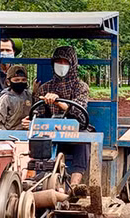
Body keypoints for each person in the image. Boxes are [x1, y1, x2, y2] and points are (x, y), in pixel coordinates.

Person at [36, 46, 90, 189]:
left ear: (72, 64)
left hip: (75, 132)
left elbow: (79, 110)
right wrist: (30, 121)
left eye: (65, 62)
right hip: (51, 132)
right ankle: (37, 181)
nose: (61, 65)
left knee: (83, 140)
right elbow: (38, 114)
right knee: (37, 139)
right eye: (58, 62)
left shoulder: (81, 87)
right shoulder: (45, 88)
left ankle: (75, 186)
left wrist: (58, 101)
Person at [0, 65, 32, 130]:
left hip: (27, 134)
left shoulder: (29, 96)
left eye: (23, 80)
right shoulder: (5, 99)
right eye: (16, 80)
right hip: (9, 135)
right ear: (8, 82)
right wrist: (5, 138)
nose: (20, 82)